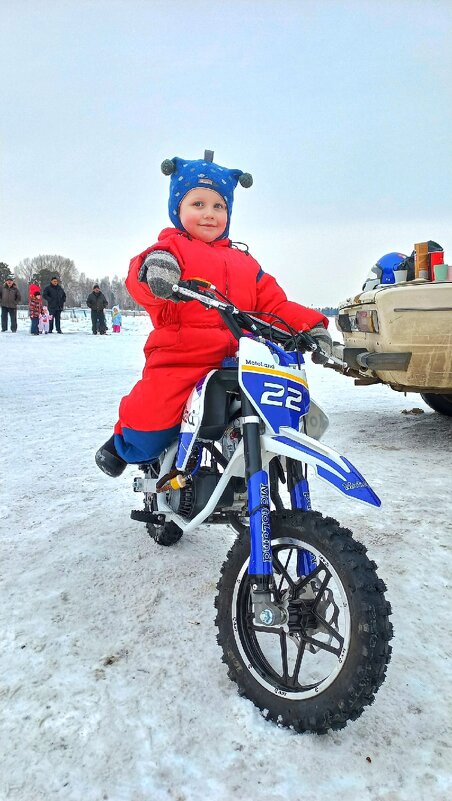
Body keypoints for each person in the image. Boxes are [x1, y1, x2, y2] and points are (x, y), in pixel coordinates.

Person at [95, 151, 333, 477]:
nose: (209, 214)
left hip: (242, 359)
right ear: (178, 209)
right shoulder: (171, 250)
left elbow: (275, 306)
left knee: (279, 411)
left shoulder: (245, 263)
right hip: (182, 357)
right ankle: (124, 440)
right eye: (198, 204)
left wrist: (312, 327)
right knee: (153, 413)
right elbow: (139, 279)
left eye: (218, 206)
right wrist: (154, 273)